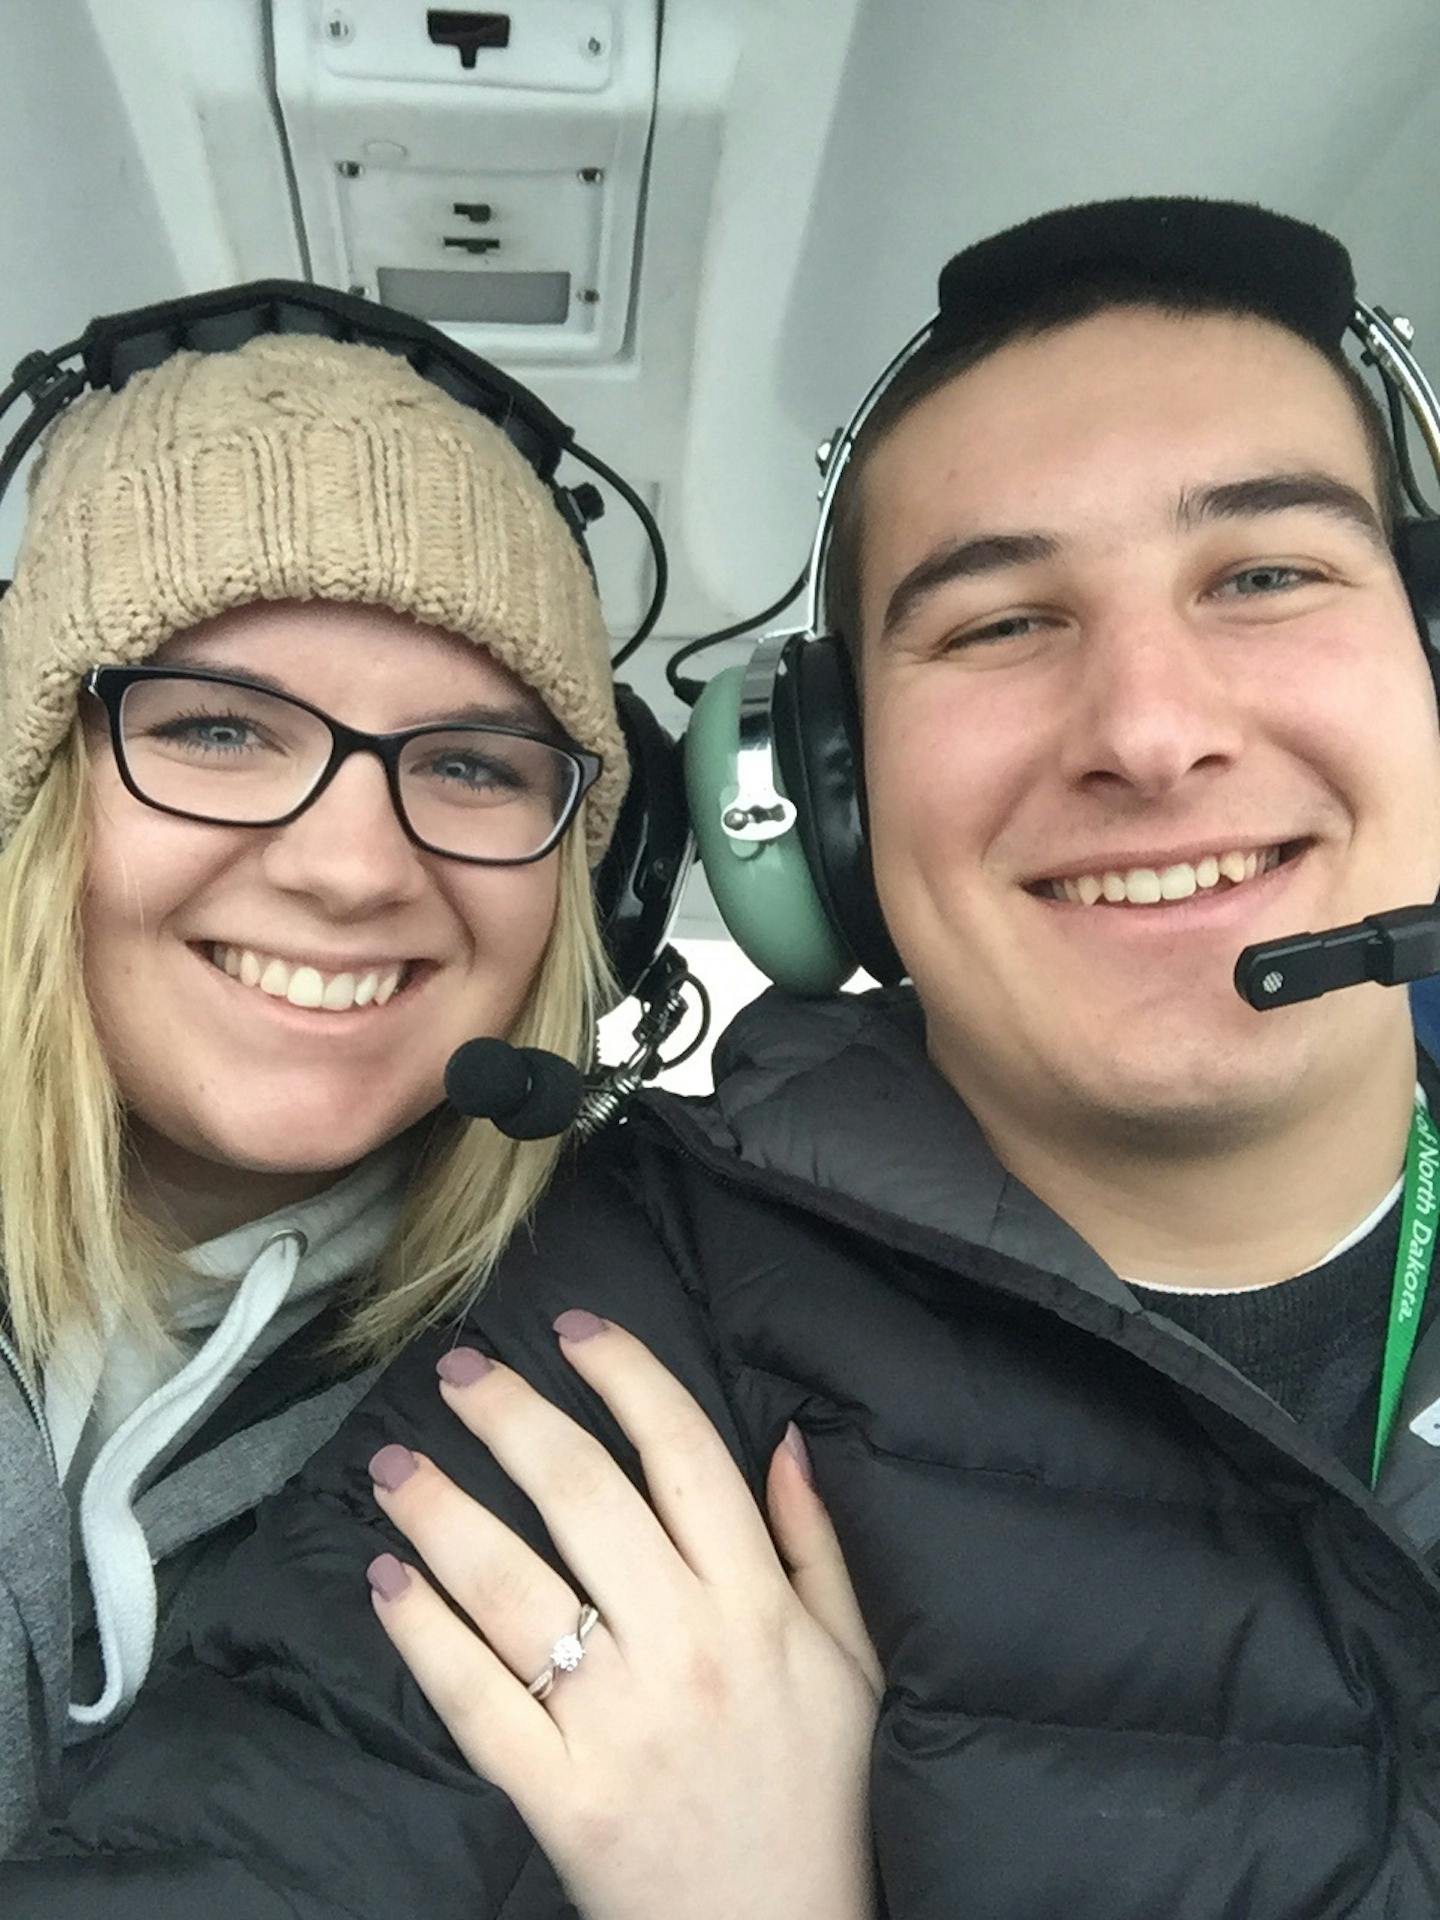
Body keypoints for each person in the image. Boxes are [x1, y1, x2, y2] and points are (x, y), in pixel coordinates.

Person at [11, 193, 1440, 1918]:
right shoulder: (614, 1344)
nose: (1150, 728)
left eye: (1268, 574)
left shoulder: (510, 1245)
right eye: (1000, 621)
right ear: (816, 808)